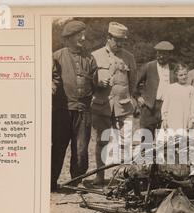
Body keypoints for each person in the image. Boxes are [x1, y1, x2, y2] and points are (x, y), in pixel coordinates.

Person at [89, 22, 137, 186]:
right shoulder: (95, 56)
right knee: (102, 142)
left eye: (123, 40)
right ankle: (100, 176)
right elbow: (89, 82)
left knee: (126, 142)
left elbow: (133, 83)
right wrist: (98, 83)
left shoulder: (129, 57)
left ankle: (125, 177)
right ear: (108, 37)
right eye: (117, 40)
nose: (120, 44)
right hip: (102, 106)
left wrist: (131, 100)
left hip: (124, 107)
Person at [51, 20, 97, 191]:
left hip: (83, 111)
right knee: (58, 146)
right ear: (69, 37)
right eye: (79, 35)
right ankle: (51, 183)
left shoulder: (89, 58)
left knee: (81, 149)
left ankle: (76, 182)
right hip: (62, 111)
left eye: (83, 34)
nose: (83, 38)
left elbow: (94, 84)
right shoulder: (57, 56)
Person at [136, 41, 176, 137]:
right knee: (146, 138)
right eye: (159, 53)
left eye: (164, 54)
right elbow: (135, 83)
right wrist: (138, 97)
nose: (161, 56)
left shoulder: (174, 68)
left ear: (169, 55)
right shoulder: (149, 66)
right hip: (149, 107)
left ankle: (160, 152)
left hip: (167, 107)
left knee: (163, 138)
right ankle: (145, 152)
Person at [161, 63, 194, 131]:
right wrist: (164, 119)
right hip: (172, 120)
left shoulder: (191, 89)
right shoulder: (171, 88)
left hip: (186, 121)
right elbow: (165, 105)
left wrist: (192, 120)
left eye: (185, 74)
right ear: (176, 76)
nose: (183, 77)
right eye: (181, 75)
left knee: (185, 140)